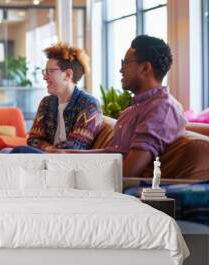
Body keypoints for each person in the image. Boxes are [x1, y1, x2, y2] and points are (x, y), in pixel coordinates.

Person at [50, 35, 187, 177]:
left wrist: (74, 171)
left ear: (145, 68)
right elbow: (114, 154)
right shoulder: (132, 110)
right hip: (104, 182)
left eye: (125, 63)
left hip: (123, 193)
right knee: (30, 155)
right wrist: (66, 154)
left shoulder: (162, 109)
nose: (121, 70)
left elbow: (127, 173)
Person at [9, 43, 103, 154]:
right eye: (45, 71)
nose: (45, 77)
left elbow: (76, 146)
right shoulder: (47, 102)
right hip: (48, 158)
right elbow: (33, 139)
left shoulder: (89, 104)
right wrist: (50, 149)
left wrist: (47, 149)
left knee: (16, 151)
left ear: (68, 74)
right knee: (6, 151)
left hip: (67, 165)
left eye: (51, 71)